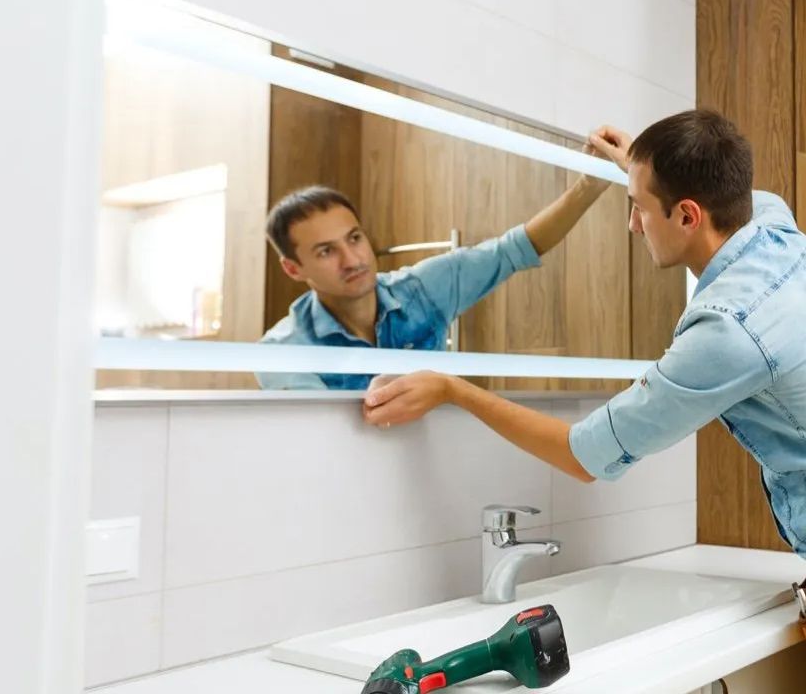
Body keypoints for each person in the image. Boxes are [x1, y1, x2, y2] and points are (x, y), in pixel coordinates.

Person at [363, 109, 806, 557]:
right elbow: (719, 188)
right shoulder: (769, 222)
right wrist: (641, 163)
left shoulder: (726, 332)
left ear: (688, 215)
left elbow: (582, 456)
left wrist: (451, 389)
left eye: (639, 206)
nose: (633, 225)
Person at [257, 158, 610, 389]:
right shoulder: (283, 352)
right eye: (326, 251)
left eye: (354, 238)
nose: (352, 259)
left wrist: (589, 185)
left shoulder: (421, 291)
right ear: (293, 268)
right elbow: (326, 444)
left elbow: (514, 249)